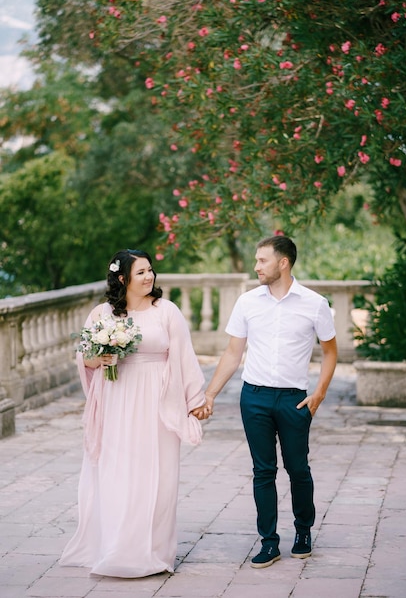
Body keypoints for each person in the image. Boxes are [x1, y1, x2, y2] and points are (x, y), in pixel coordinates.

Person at [192, 235, 337, 568]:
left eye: (262, 260)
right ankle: (268, 542)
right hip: (254, 397)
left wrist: (319, 393)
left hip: (294, 401)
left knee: (298, 469)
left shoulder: (314, 304)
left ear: (282, 263)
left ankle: (303, 532)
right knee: (263, 471)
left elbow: (331, 352)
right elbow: (232, 353)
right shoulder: (247, 302)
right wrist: (210, 394)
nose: (256, 266)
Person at [60, 249, 206, 578]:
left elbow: (184, 356)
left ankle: (154, 553)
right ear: (123, 278)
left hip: (158, 400)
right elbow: (84, 356)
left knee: (160, 476)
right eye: (141, 272)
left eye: (150, 271)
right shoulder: (102, 313)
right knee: (118, 471)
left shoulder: (166, 311)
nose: (149, 277)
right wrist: (101, 359)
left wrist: (195, 399)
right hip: (117, 399)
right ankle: (115, 548)